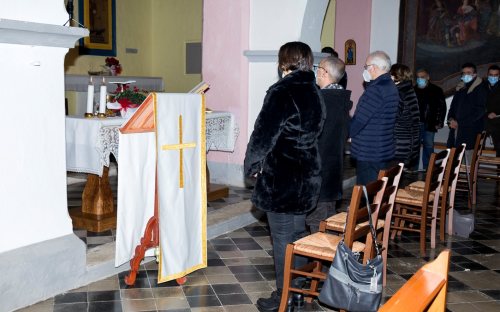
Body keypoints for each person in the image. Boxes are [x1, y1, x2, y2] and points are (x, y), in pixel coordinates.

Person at [244, 41, 325, 312]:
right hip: (307, 174)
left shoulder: (281, 91)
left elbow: (263, 134)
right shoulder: (314, 89)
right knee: (298, 233)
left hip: (283, 176)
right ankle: (298, 291)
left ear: (284, 62)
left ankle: (284, 296)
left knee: (281, 237)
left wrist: (252, 164)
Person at [306, 56, 352, 233]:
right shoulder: (340, 98)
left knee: (319, 223)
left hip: (319, 172)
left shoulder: (322, 100)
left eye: (318, 67)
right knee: (327, 217)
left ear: (324, 72)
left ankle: (325, 259)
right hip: (333, 171)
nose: (315, 71)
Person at [350, 51, 399, 185]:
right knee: (377, 189)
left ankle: (365, 207)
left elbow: (360, 119)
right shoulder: (390, 86)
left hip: (369, 150)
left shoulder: (376, 90)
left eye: (366, 66)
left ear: (374, 67)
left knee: (367, 191)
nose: (365, 69)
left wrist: (348, 133)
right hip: (382, 147)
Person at [447, 62, 488, 162]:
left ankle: (469, 178)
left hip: (471, 130)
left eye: (468, 73)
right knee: (454, 159)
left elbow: (480, 111)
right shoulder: (460, 88)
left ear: (474, 74)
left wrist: (460, 123)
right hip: (457, 129)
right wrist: (451, 119)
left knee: (469, 161)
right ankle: (454, 177)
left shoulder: (481, 88)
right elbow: (453, 107)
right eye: (463, 73)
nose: (466, 75)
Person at [414, 68, 447, 170]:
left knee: (428, 146)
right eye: (418, 77)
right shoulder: (413, 90)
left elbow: (442, 107)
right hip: (416, 124)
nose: (420, 79)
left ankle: (428, 169)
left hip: (430, 123)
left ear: (428, 77)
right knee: (414, 147)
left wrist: (440, 122)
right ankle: (413, 169)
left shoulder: (436, 90)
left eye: (422, 77)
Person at [391, 64, 421, 170]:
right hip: (408, 142)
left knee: (388, 180)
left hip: (399, 143)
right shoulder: (408, 89)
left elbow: (392, 117)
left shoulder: (399, 92)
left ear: (396, 76)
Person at [485, 64, 500, 156]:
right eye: (491, 75)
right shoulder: (483, 86)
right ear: (487, 75)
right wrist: (487, 113)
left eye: (496, 75)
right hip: (485, 122)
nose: (493, 77)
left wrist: (497, 113)